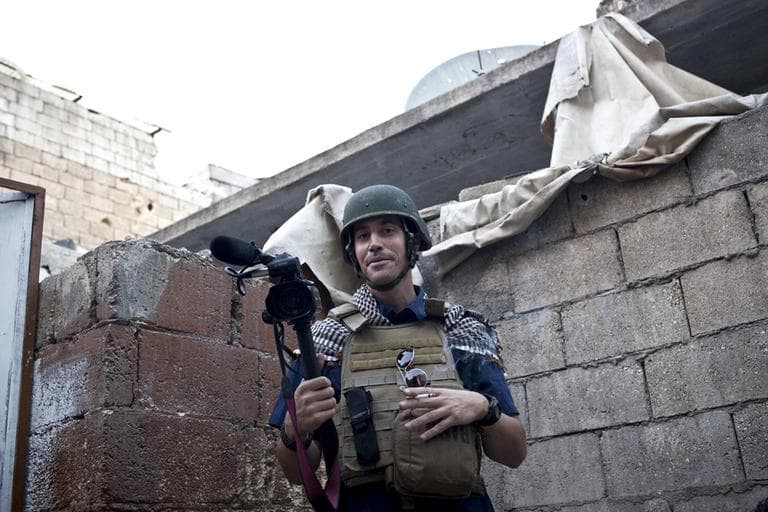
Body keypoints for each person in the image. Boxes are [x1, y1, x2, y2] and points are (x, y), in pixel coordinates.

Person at [269, 184, 527, 511]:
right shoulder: (323, 341)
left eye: (387, 231)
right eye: (362, 237)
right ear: (353, 254)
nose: (374, 244)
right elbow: (294, 473)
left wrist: (482, 407)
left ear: (413, 242)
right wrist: (295, 432)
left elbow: (514, 453)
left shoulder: (461, 329)